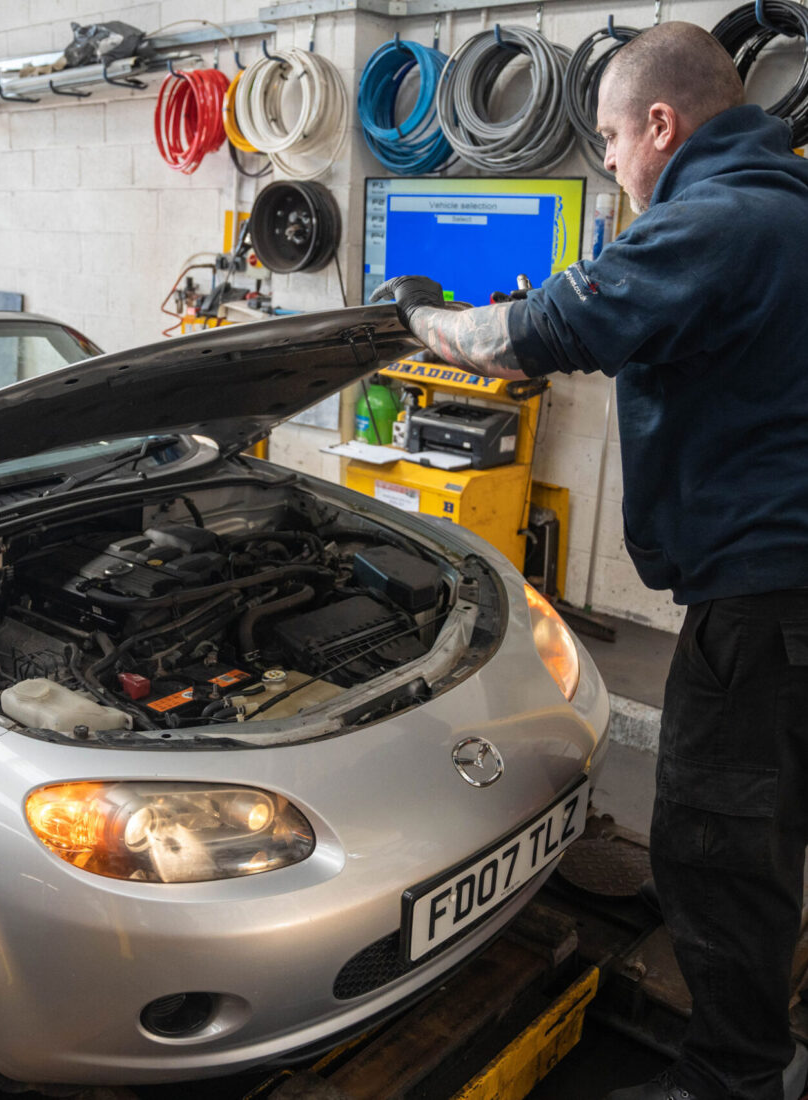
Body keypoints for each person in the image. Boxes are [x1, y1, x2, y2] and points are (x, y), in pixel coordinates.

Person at [371, 21, 808, 1100]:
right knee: (779, 818)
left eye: (611, 138)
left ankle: (733, 1079)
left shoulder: (716, 217)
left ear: (660, 124)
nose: (609, 163)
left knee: (716, 840)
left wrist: (422, 319)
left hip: (763, 595)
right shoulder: (787, 208)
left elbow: (543, 327)